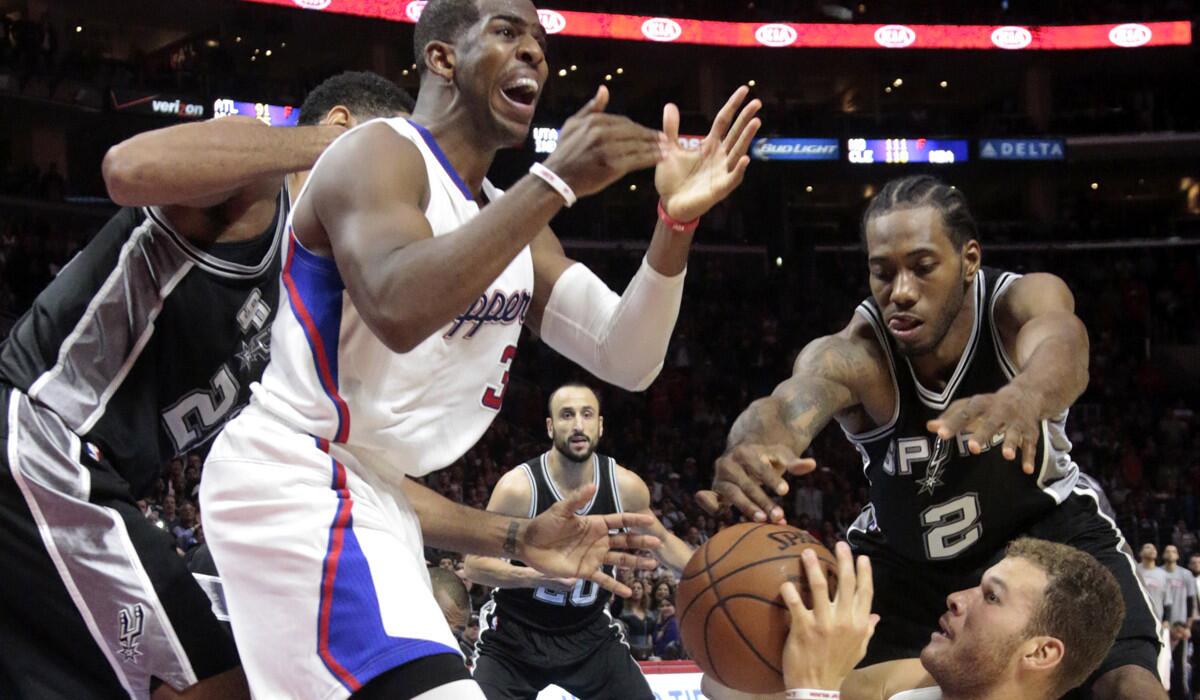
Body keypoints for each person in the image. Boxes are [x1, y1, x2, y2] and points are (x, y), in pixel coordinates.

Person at [199, 0, 760, 697]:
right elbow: (398, 306)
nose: (534, 52)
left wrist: (674, 225)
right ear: (441, 58)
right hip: (294, 481)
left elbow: (627, 356)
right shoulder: (378, 154)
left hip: (374, 496)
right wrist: (552, 182)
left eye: (539, 41)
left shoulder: (507, 217)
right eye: (506, 31)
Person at [0, 71, 413, 699]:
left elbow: (349, 473)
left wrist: (510, 536)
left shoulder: (319, 302)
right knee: (218, 679)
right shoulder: (254, 184)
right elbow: (125, 167)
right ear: (339, 132)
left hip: (83, 480)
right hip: (44, 436)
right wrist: (333, 147)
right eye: (393, 176)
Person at [703, 174, 1163, 699]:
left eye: (923, 268)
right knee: (765, 680)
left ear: (969, 260)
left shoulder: (1018, 303)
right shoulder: (857, 354)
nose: (900, 292)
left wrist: (1026, 393)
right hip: (905, 558)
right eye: (882, 273)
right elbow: (784, 407)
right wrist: (750, 446)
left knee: (1130, 686)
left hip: (1045, 542)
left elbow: (1066, 347)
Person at [464, 383, 696, 698]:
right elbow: (475, 566)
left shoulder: (625, 487)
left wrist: (714, 573)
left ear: (600, 425)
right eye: (566, 415)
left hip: (589, 637)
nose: (577, 424)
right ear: (550, 427)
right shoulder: (519, 489)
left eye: (587, 414)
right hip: (515, 640)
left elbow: (664, 543)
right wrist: (537, 576)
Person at [706, 538, 1125, 700]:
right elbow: (729, 688)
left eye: (991, 596)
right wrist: (715, 586)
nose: (957, 599)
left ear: (1040, 652)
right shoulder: (928, 684)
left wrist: (814, 690)